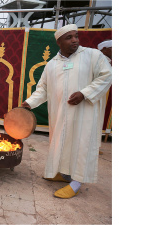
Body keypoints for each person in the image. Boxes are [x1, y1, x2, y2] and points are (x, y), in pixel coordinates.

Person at [21, 24, 112, 199]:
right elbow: (43, 89)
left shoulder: (92, 55)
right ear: (59, 42)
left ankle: (76, 183)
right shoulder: (52, 64)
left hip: (84, 114)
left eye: (76, 36)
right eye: (69, 37)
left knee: (81, 145)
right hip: (60, 113)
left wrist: (84, 94)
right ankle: (64, 175)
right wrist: (28, 104)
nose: (75, 40)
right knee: (61, 143)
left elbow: (107, 75)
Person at [97, 39, 112, 155]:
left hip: (99, 97)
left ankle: (95, 148)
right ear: (104, 49)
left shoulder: (107, 62)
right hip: (92, 97)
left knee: (97, 123)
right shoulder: (99, 61)